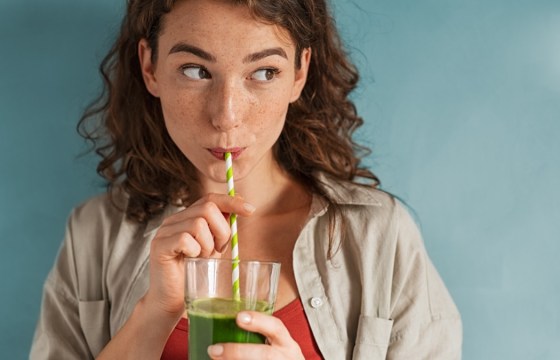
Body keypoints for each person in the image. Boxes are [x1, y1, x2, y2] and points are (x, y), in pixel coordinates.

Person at [30, 0, 462, 358]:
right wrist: (154, 311)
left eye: (263, 72)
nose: (226, 117)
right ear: (150, 67)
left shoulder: (380, 235)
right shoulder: (93, 234)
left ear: (299, 73)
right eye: (196, 70)